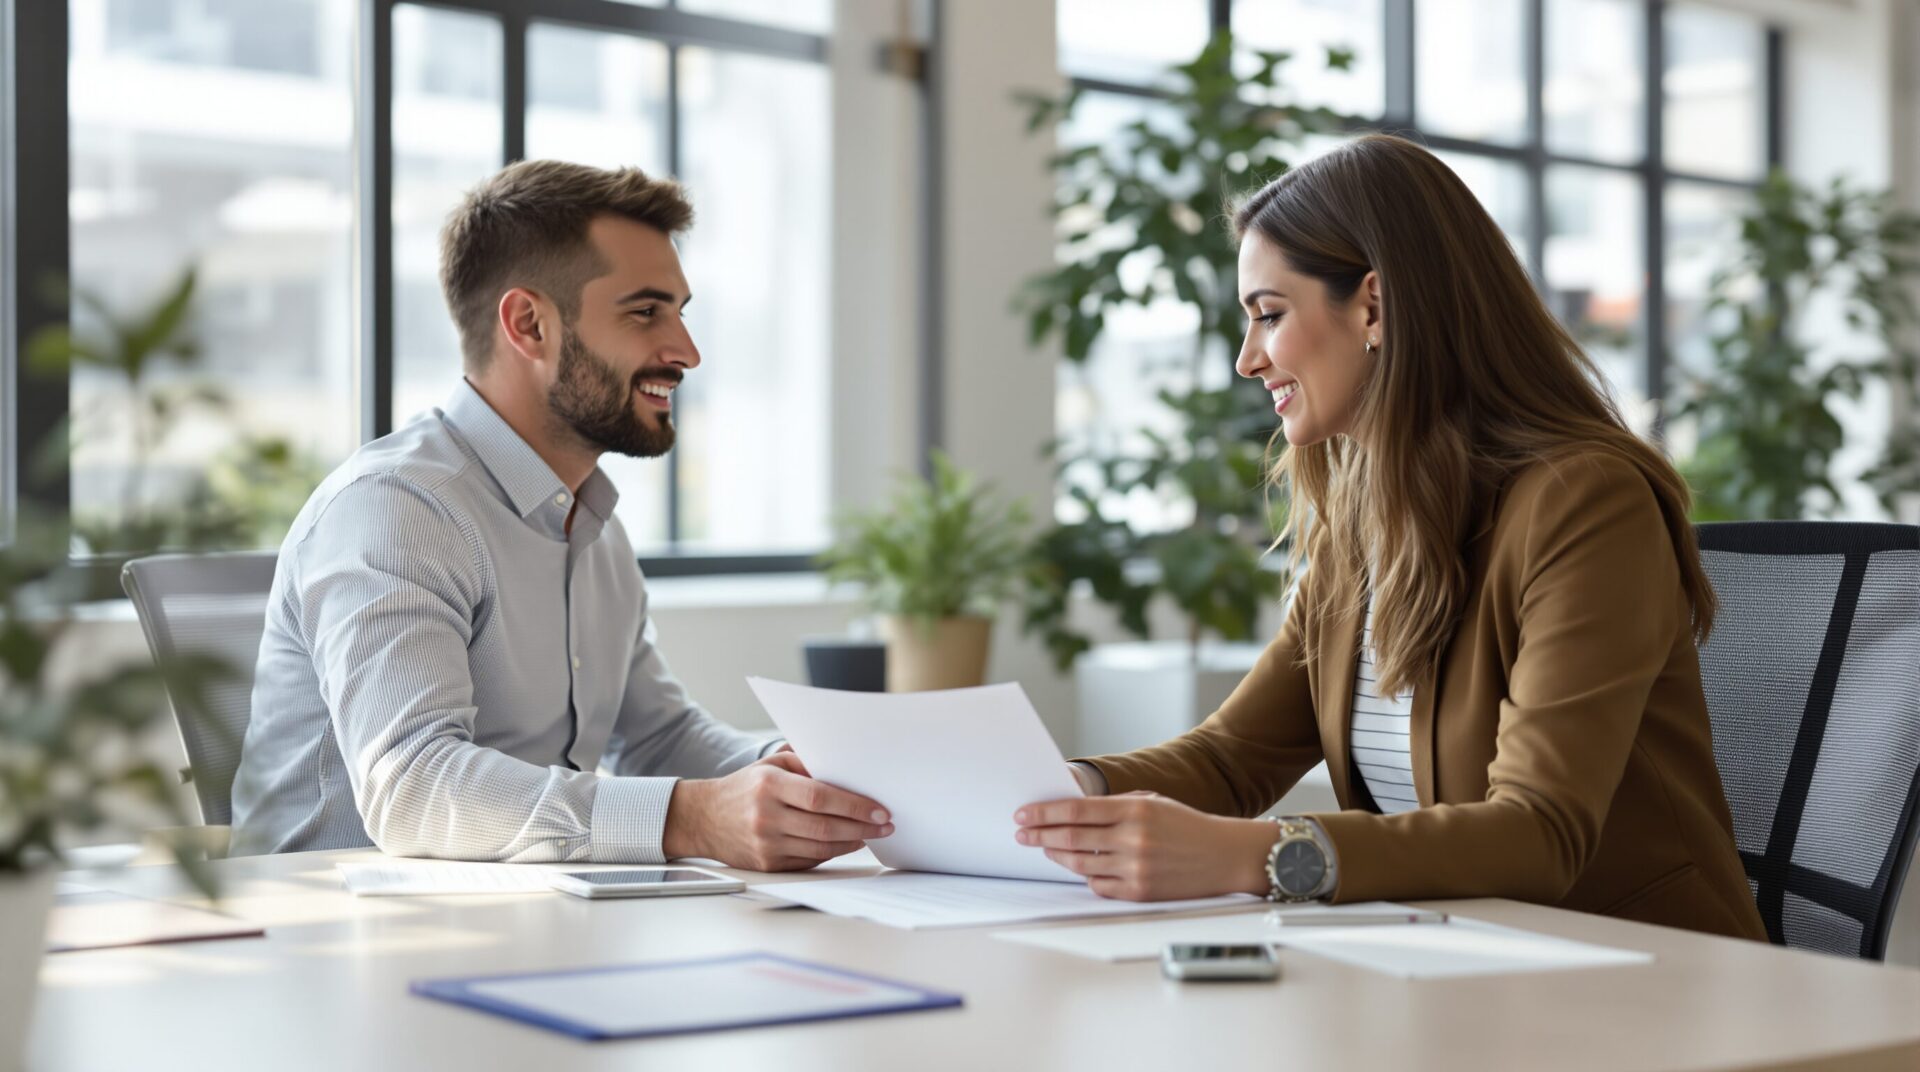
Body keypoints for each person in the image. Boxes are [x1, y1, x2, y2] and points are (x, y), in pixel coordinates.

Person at [1014, 134, 1767, 941]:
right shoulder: (1366, 523)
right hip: (1453, 967)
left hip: (1646, 982)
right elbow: (1232, 759)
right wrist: (1045, 800)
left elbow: (1540, 830)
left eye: (1269, 315)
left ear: (1373, 307)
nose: (1246, 359)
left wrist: (1255, 857)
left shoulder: (1584, 502)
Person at [231, 160, 891, 868]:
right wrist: (688, 819)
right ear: (529, 324)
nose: (686, 351)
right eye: (645, 312)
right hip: (334, 937)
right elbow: (413, 786)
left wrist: (807, 775)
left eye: (680, 312)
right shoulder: (398, 507)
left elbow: (658, 737)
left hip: (522, 923)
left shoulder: (588, 521)